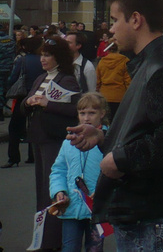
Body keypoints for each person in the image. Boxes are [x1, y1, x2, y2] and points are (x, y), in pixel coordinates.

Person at [66, 0, 163, 250]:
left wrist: (121, 158)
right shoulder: (151, 63)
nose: (112, 28)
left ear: (136, 20)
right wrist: (104, 136)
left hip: (149, 209)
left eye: (116, 20)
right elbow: (149, 127)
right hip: (144, 205)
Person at [25, 37, 81, 251]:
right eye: (42, 54)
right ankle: (43, 238)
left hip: (54, 140)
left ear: (59, 58)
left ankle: (53, 240)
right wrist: (28, 102)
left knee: (54, 190)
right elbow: (25, 102)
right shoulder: (40, 78)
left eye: (48, 55)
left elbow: (77, 109)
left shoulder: (67, 79)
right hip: (38, 138)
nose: (43, 59)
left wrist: (49, 104)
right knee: (42, 191)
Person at [49, 93, 108, 252]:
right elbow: (58, 170)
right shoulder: (69, 142)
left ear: (102, 113)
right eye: (82, 113)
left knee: (94, 249)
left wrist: (104, 192)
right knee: (69, 248)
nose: (86, 118)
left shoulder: (108, 140)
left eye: (92, 113)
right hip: (71, 207)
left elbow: (115, 172)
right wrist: (59, 191)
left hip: (97, 208)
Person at [4, 36, 42, 168]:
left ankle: (13, 157)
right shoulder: (43, 60)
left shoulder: (23, 60)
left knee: (14, 127)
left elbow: (13, 78)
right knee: (34, 126)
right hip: (39, 96)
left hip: (23, 96)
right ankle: (33, 155)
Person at [95, 42, 131, 121]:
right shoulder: (125, 61)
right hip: (120, 96)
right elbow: (128, 81)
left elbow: (97, 81)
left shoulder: (101, 62)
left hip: (104, 96)